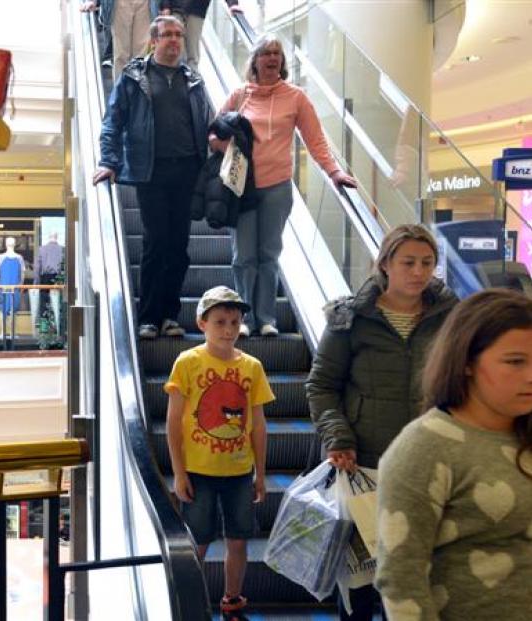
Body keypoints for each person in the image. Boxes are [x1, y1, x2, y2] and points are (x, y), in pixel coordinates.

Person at [305, 224, 457, 621]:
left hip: (426, 468)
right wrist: (337, 435)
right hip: (362, 469)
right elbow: (321, 385)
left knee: (413, 583)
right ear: (385, 264)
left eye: (427, 263)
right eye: (408, 262)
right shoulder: (349, 318)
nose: (419, 272)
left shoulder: (452, 319)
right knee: (358, 587)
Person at [375, 288, 532, 620]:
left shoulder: (524, 435)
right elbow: (402, 578)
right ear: (466, 363)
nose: (530, 375)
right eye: (514, 362)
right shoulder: (425, 447)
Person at [211, 34, 357, 337]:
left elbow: (316, 140)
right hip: (243, 187)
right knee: (244, 257)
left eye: (277, 53)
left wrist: (334, 172)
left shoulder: (296, 97)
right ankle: (242, 320)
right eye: (266, 53)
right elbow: (213, 133)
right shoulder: (240, 96)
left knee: (269, 253)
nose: (272, 58)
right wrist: (225, 148)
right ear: (255, 60)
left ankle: (266, 319)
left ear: (283, 62)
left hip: (277, 187)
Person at [94, 15, 212, 340]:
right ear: (154, 40)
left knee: (179, 247)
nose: (174, 40)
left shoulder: (194, 79)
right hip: (151, 171)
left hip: (187, 170)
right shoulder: (134, 77)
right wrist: (109, 161)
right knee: (156, 242)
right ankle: (149, 316)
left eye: (178, 35)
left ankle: (170, 316)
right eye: (168, 35)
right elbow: (112, 122)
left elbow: (207, 121)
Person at [165, 285, 273, 620]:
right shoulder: (188, 362)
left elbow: (257, 423)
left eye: (234, 322)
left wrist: (261, 473)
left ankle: (232, 600)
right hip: (199, 471)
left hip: (240, 472)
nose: (228, 330)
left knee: (238, 540)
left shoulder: (252, 367)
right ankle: (191, 602)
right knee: (197, 543)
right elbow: (173, 423)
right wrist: (179, 472)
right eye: (220, 322)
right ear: (202, 324)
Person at [81, 0, 157, 79]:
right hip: (120, 4)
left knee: (142, 54)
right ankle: (121, 89)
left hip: (145, 4)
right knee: (122, 53)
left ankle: (139, 88)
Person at [157, 0, 211, 70]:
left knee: (192, 48)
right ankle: (178, 74)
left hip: (197, 10)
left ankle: (193, 75)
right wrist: (165, 6)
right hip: (176, 9)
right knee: (176, 45)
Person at [0, 236, 26, 337]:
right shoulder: (19, 258)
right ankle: (12, 333)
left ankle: (3, 332)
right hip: (15, 287)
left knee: (3, 310)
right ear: (14, 244)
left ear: (6, 244)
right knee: (13, 310)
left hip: (3, 286)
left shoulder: (1, 257)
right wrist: (21, 284)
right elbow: (23, 273)